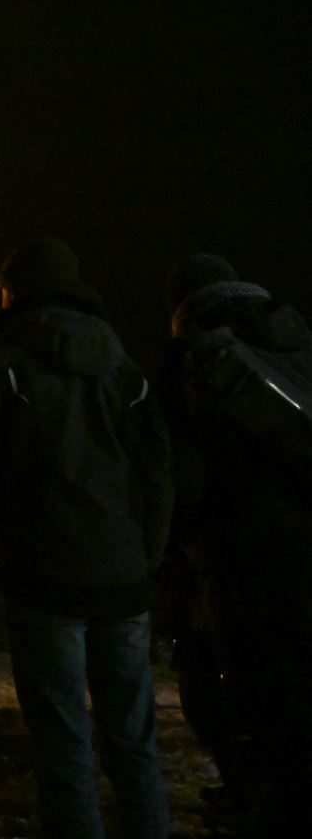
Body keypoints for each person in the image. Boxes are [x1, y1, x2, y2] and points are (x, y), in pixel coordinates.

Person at [0, 238, 172, 839]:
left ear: (14, 291)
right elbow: (157, 473)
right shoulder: (124, 368)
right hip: (122, 578)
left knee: (63, 742)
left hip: (43, 577)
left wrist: (7, 528)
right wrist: (145, 555)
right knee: (134, 741)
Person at [161, 253, 312, 836]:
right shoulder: (295, 344)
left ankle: (269, 805)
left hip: (251, 562)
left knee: (261, 704)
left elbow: (183, 477)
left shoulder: (202, 358)